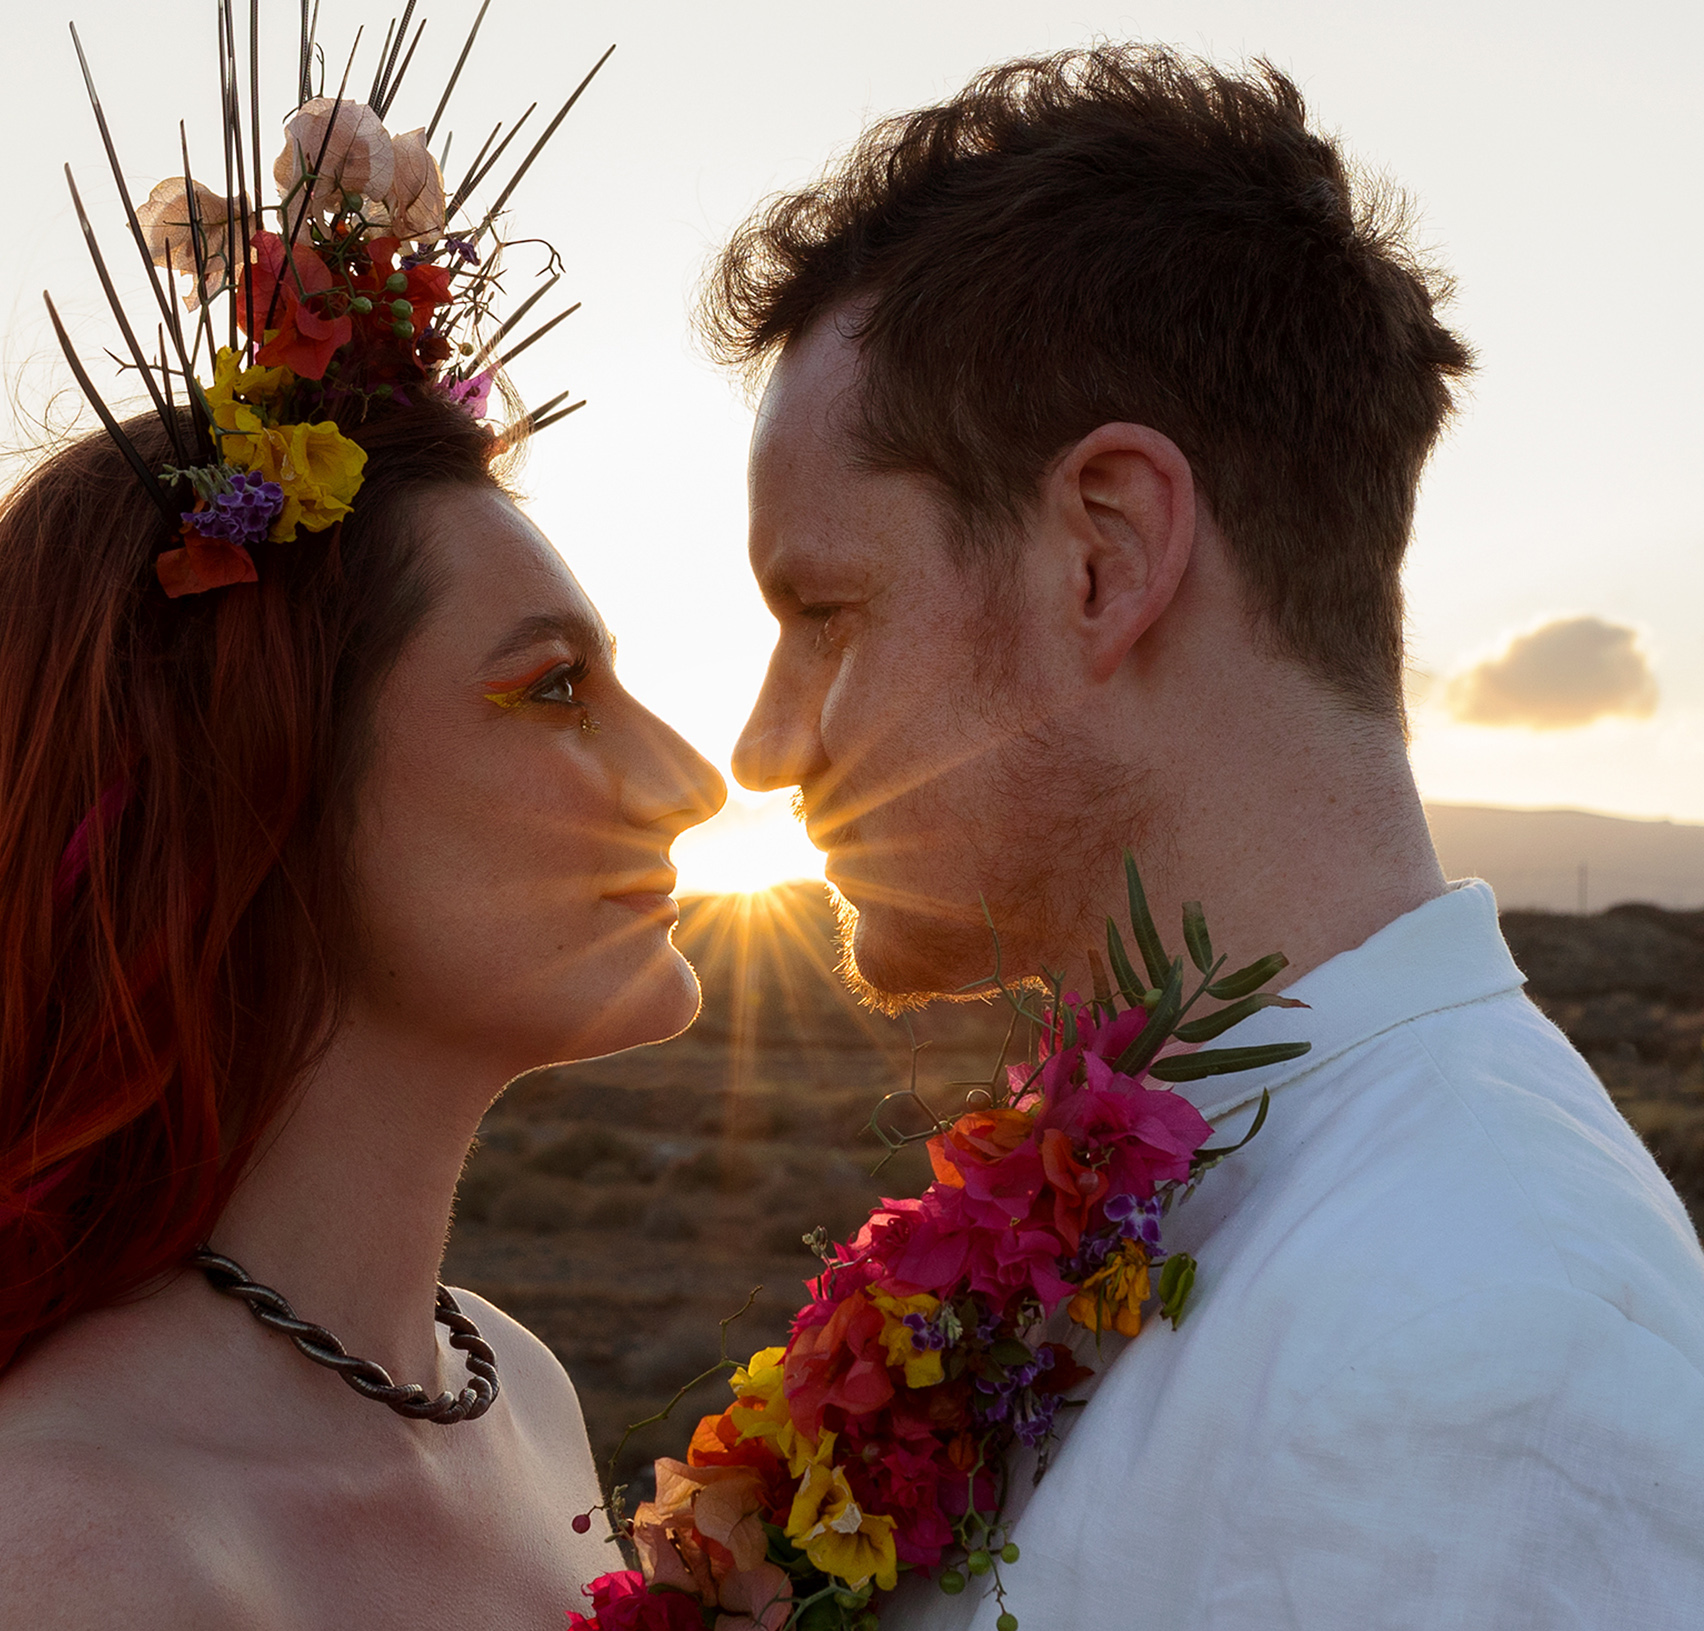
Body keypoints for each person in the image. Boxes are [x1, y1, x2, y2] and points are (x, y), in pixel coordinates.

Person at [0, 23, 723, 1625]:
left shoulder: (512, 1390)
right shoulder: (85, 1552)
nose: (691, 782)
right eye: (548, 692)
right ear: (259, 777)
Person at [705, 45, 1704, 1629]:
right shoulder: (1184, 1201)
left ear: (1105, 555)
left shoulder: (1483, 1351)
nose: (761, 749)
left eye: (827, 614)